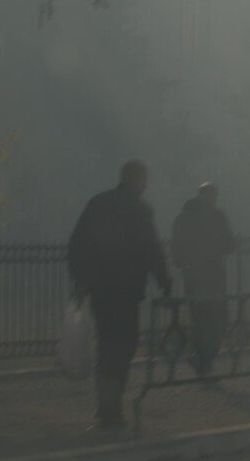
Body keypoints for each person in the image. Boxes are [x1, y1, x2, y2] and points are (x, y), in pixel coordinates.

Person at [65, 160, 172, 431]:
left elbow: (78, 243)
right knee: (124, 347)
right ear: (140, 180)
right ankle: (113, 410)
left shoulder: (99, 203)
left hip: (101, 291)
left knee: (106, 346)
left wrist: (80, 280)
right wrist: (164, 280)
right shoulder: (140, 210)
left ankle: (106, 412)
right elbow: (151, 250)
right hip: (128, 291)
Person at [170, 181, 239, 378]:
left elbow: (176, 249)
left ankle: (201, 357)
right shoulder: (217, 216)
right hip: (214, 274)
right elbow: (228, 245)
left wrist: (185, 264)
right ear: (210, 196)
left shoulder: (182, 218)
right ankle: (205, 357)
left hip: (192, 275)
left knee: (198, 318)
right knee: (218, 317)